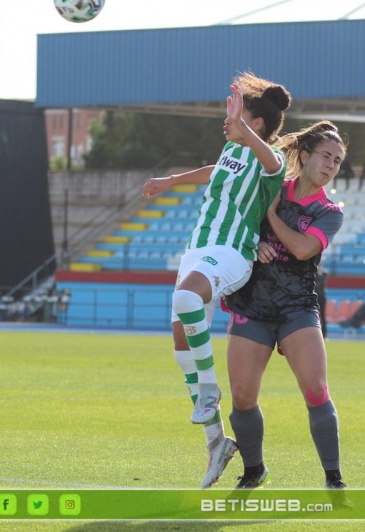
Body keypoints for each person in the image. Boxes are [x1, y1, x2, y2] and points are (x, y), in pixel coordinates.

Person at [141, 72, 291, 488]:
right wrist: (171, 180)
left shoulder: (270, 157)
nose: (226, 120)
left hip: (232, 252)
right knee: (179, 338)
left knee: (187, 301)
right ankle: (216, 442)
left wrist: (245, 130)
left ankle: (209, 391)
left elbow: (274, 166)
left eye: (235, 113)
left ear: (255, 122)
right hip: (199, 249)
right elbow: (214, 169)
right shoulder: (231, 149)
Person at [223, 121, 348, 491]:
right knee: (242, 398)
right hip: (252, 304)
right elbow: (238, 226)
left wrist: (273, 217)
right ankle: (254, 470)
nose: (330, 165)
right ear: (306, 156)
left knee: (315, 390)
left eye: (338, 161)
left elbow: (303, 249)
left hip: (297, 307)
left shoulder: (330, 211)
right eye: (325, 156)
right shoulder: (271, 183)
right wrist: (251, 243)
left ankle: (334, 479)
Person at [316, 265, 329, 339]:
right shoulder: (314, 272)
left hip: (322, 296)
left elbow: (323, 276)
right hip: (315, 296)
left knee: (323, 316)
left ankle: (324, 334)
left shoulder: (324, 273)